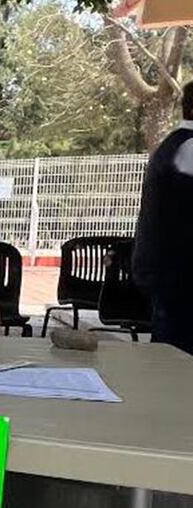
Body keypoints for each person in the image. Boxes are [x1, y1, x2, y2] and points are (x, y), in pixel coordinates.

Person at [133, 81, 193, 355]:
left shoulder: (177, 144)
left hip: (170, 272)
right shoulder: (189, 148)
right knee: (177, 358)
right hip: (179, 275)